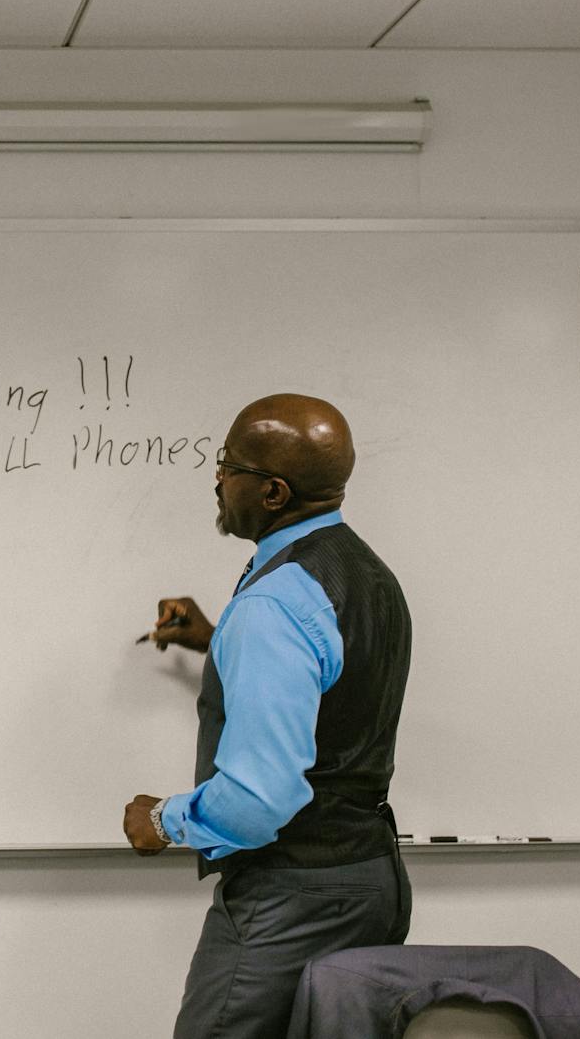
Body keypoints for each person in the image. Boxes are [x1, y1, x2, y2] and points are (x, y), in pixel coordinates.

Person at [122, 393, 414, 1039]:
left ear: (274, 491)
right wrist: (217, 639)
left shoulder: (274, 606)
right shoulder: (366, 573)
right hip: (369, 877)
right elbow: (330, 678)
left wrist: (164, 820)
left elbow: (258, 801)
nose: (218, 480)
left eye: (229, 465)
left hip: (294, 893)